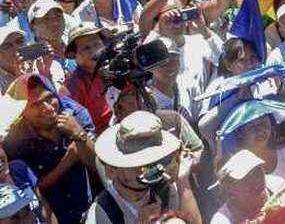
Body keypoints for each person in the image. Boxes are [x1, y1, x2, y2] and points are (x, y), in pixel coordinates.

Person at [3, 74, 97, 224]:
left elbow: (100, 167)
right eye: (35, 104)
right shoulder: (14, 141)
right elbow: (31, 188)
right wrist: (68, 161)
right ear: (21, 110)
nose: (47, 108)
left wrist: (79, 134)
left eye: (49, 98)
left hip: (91, 211)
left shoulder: (77, 115)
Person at [86, 111, 201, 224]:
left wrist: (183, 182)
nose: (145, 169)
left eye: (152, 161)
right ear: (111, 171)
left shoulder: (165, 189)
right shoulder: (103, 212)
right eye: (134, 163)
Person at [64, 22, 111, 133]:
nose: (95, 51)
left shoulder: (117, 67)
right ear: (74, 56)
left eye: (97, 44)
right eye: (86, 48)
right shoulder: (72, 87)